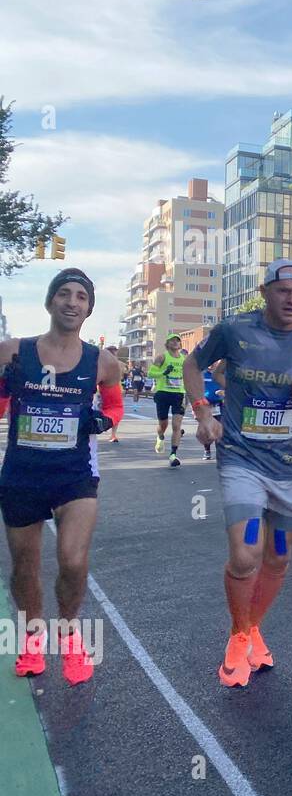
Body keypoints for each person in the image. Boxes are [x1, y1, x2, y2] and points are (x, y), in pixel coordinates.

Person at [186, 261, 292, 688]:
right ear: (265, 291)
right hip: (243, 461)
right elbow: (192, 365)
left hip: (290, 468)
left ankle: (253, 626)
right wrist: (203, 414)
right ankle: (238, 637)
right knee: (245, 553)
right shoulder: (235, 329)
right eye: (283, 291)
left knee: (278, 555)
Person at [2, 269, 123, 684]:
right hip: (22, 474)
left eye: (81, 297)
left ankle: (70, 635)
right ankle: (33, 637)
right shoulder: (12, 352)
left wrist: (103, 420)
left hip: (75, 475)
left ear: (89, 309)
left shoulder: (103, 361)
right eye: (65, 294)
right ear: (50, 301)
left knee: (72, 561)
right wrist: (4, 388)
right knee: (24, 566)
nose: (73, 302)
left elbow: (115, 408)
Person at [149, 333, 186, 466]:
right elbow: (150, 373)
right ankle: (160, 436)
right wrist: (163, 373)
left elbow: (188, 376)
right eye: (172, 340)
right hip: (163, 393)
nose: (175, 342)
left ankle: (173, 455)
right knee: (163, 424)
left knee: (177, 426)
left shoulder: (184, 359)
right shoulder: (162, 357)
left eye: (178, 340)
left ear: (180, 344)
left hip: (178, 394)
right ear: (167, 343)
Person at [200, 364, 224, 460]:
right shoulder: (202, 375)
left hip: (218, 405)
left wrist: (222, 392)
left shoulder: (220, 375)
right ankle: (207, 450)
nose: (210, 365)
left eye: (213, 363)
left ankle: (219, 452)